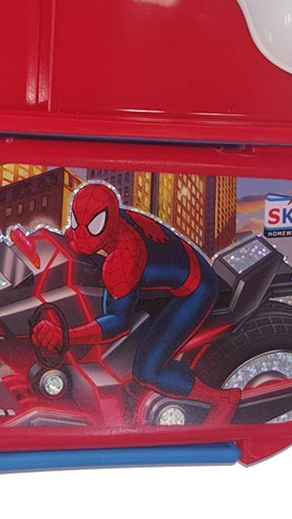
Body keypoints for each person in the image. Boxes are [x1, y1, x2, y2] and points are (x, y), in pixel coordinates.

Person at [32, 181, 241, 424]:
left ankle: (220, 399)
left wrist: (66, 336)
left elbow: (119, 323)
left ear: (108, 220)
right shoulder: (105, 226)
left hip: (196, 289)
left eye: (94, 224)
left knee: (148, 370)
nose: (81, 233)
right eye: (78, 222)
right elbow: (78, 236)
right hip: (166, 277)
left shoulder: (125, 256)